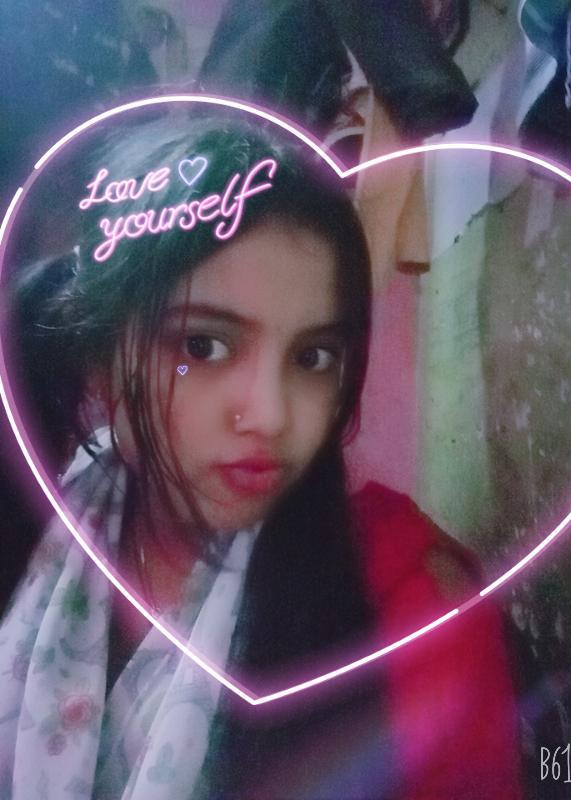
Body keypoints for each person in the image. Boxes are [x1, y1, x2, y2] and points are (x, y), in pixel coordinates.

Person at [0, 114, 522, 799]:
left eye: (313, 357)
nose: (273, 415)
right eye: (204, 346)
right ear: (100, 359)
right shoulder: (35, 527)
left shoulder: (414, 612)